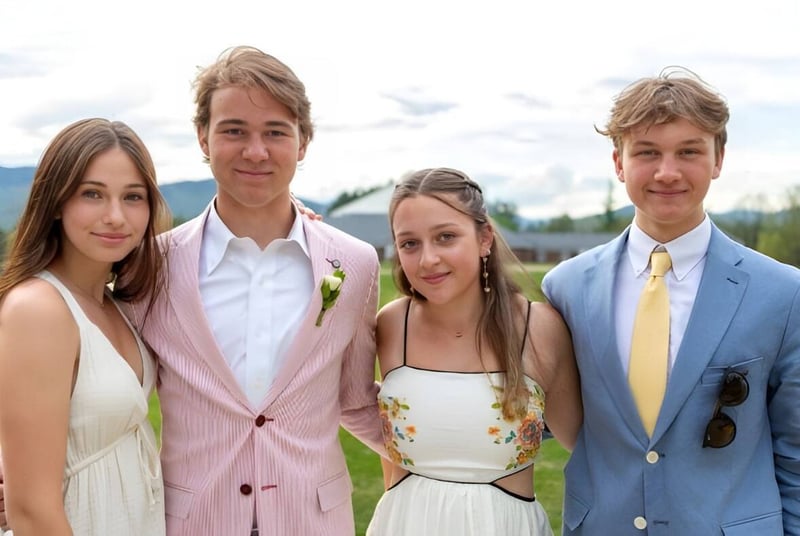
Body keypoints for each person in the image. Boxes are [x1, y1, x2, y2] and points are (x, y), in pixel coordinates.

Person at [121, 46, 384, 535]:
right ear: (203, 137)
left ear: (303, 142)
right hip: (192, 521)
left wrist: (460, 461)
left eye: (276, 132)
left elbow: (356, 400)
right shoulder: (149, 266)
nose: (256, 151)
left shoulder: (354, 264)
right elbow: (103, 393)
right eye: (234, 130)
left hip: (315, 521)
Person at [542, 67, 800, 534]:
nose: (667, 172)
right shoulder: (566, 288)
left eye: (688, 151)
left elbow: (796, 451)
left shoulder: (783, 293)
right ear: (618, 163)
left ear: (718, 159)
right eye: (647, 152)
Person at [367, 168, 582, 535]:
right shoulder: (391, 324)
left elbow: (589, 451)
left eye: (446, 237)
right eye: (410, 243)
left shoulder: (538, 328)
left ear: (485, 239)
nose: (428, 259)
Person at [0, 118, 171, 535]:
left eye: (133, 197)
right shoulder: (39, 309)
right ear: (56, 202)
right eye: (92, 194)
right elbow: (32, 511)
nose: (115, 216)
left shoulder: (114, 303)